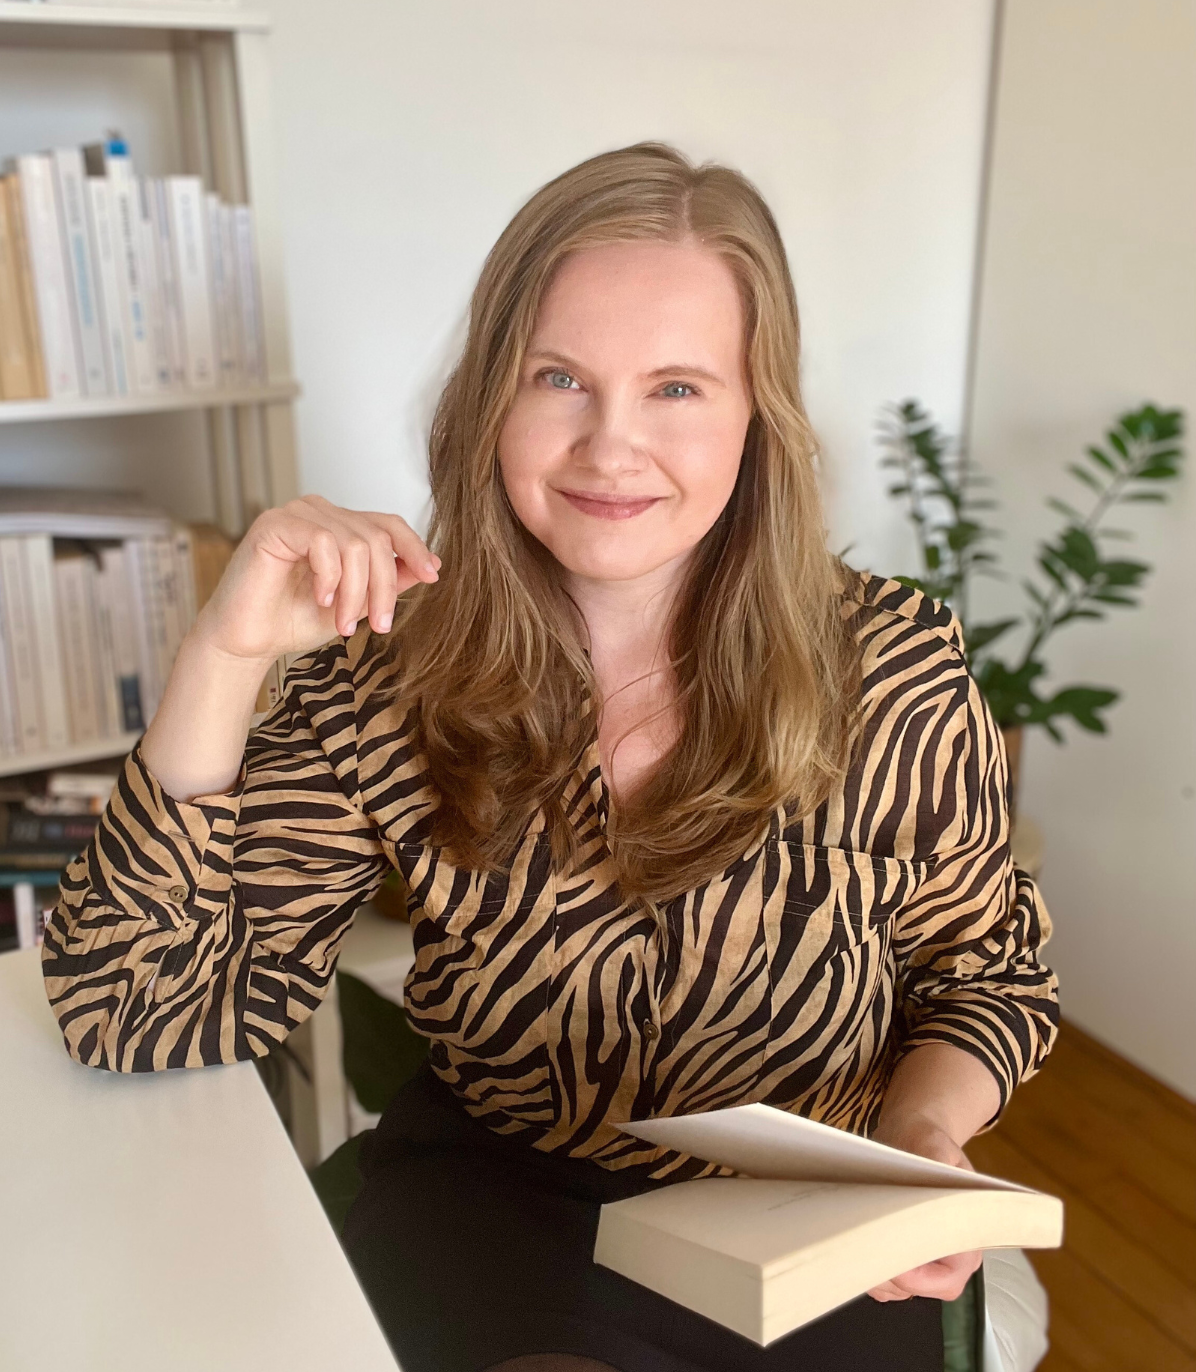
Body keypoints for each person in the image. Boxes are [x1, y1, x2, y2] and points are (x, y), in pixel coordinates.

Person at [43, 144, 1058, 1372]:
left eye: (677, 387)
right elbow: (133, 1012)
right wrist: (226, 650)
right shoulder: (386, 673)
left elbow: (984, 973)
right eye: (559, 378)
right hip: (500, 1197)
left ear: (757, 417)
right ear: (490, 401)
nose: (608, 445)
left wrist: (921, 1138)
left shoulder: (892, 664)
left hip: (802, 1221)